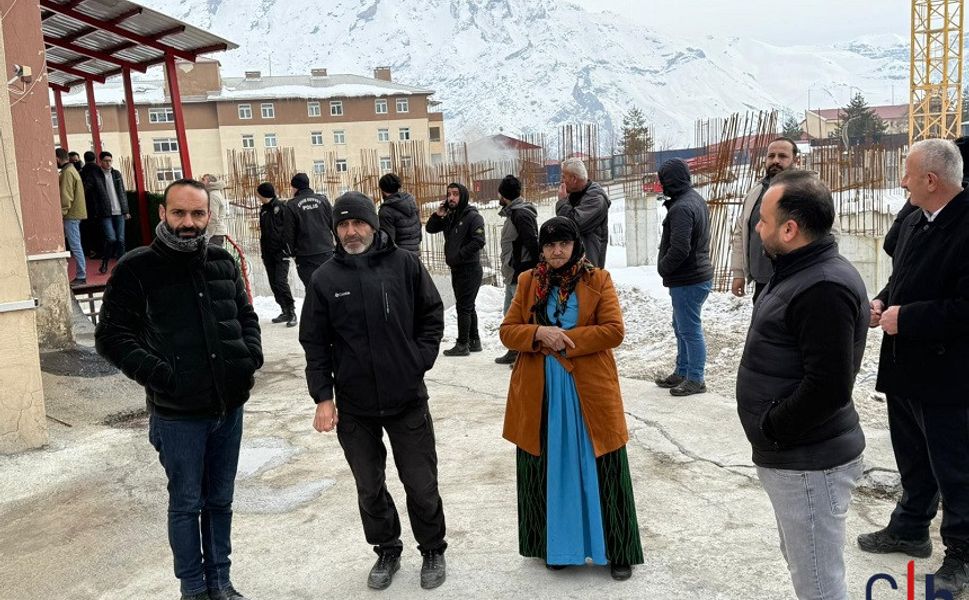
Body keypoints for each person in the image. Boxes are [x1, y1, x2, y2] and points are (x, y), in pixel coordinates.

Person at [95, 178, 263, 600]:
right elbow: (112, 336)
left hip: (229, 407)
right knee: (187, 504)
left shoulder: (222, 262)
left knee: (220, 501)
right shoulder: (138, 266)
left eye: (197, 214)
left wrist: (248, 358)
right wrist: (162, 374)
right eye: (180, 213)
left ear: (208, 216)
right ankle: (193, 588)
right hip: (177, 414)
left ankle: (220, 582)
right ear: (163, 214)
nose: (189, 223)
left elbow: (245, 315)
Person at [299, 192, 447, 591]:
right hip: (355, 406)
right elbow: (314, 342)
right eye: (343, 225)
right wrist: (323, 397)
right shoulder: (325, 278)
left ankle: (432, 547)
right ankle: (387, 549)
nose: (350, 231)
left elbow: (431, 314)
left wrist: (418, 360)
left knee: (420, 481)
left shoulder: (404, 265)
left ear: (373, 224)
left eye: (358, 223)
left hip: (406, 399)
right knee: (369, 484)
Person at [736, 170, 867, 600]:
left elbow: (829, 387)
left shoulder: (822, 286)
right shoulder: (799, 270)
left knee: (817, 581)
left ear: (790, 229)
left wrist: (773, 428)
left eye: (764, 220)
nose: (757, 227)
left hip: (810, 461)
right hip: (796, 457)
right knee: (805, 567)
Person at [500, 216, 643, 581]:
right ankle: (557, 546)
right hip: (541, 391)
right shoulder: (529, 281)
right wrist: (538, 333)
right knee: (550, 465)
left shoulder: (598, 279)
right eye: (549, 245)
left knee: (603, 465)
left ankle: (617, 549)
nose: (556, 251)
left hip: (589, 391)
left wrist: (566, 339)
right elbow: (507, 332)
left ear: (575, 244)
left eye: (563, 243)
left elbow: (614, 331)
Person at [858, 139, 969, 596]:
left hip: (948, 375)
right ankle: (910, 528)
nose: (901, 181)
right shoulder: (916, 220)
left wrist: (909, 317)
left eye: (908, 174)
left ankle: (962, 553)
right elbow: (903, 273)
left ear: (931, 180)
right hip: (906, 366)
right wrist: (886, 298)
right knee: (913, 458)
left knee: (956, 468)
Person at [653, 158, 713, 396]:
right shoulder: (693, 199)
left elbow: (680, 248)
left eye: (663, 181)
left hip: (689, 279)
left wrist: (664, 268)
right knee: (681, 326)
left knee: (689, 329)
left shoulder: (681, 208)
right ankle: (683, 371)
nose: (661, 186)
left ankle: (696, 378)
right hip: (692, 276)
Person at [730, 137, 799, 302]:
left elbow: (831, 232)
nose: (775, 161)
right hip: (762, 282)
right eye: (771, 156)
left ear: (795, 160)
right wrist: (739, 272)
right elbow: (742, 232)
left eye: (782, 156)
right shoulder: (756, 192)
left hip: (795, 282)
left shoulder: (807, 191)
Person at [425, 182, 485, 356]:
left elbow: (479, 241)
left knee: (463, 307)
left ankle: (462, 344)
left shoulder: (473, 216)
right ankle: (474, 341)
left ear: (463, 196)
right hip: (458, 268)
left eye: (455, 194)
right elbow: (430, 229)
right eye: (449, 194)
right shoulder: (450, 216)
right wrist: (438, 215)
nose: (451, 197)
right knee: (468, 306)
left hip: (469, 268)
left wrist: (459, 256)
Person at [495, 174, 538, 365]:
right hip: (512, 273)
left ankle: (524, 353)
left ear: (503, 195)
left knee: (521, 316)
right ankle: (514, 350)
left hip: (519, 273)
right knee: (510, 314)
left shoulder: (520, 214)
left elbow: (532, 243)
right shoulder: (514, 213)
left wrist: (529, 271)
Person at [555, 157, 610, 268]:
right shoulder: (575, 195)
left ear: (574, 179)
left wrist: (562, 202)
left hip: (589, 267)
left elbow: (572, 225)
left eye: (564, 177)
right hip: (576, 264)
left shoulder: (596, 199)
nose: (561, 180)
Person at [83, 151, 131, 274]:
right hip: (105, 213)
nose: (108, 163)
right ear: (100, 162)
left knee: (120, 239)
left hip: (119, 211)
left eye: (110, 161)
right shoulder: (95, 175)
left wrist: (126, 211)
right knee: (111, 238)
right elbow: (86, 189)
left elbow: (122, 193)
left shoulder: (117, 174)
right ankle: (105, 261)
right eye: (105, 161)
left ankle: (121, 266)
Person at [284, 172, 334, 287]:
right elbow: (334, 223)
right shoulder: (323, 200)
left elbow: (288, 233)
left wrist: (291, 252)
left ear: (295, 187)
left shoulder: (291, 205)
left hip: (305, 255)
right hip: (326, 251)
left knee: (312, 288)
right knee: (330, 285)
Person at [257, 182, 296, 327]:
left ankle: (292, 312)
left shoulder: (281, 207)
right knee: (274, 284)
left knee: (281, 282)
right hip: (268, 253)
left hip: (281, 252)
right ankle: (284, 310)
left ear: (263, 194)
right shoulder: (263, 210)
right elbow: (264, 233)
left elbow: (288, 230)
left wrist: (288, 249)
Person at [57, 147, 87, 285]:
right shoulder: (71, 170)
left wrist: (61, 214)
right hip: (74, 213)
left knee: (75, 245)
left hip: (71, 214)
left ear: (57, 159)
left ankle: (81, 275)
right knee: (75, 244)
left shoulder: (68, 172)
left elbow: (66, 196)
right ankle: (81, 274)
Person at [377, 172, 422, 256]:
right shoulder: (411, 201)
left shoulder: (386, 210)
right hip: (415, 253)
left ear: (382, 190)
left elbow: (388, 242)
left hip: (400, 258)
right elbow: (419, 227)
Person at [202, 174, 228, 247]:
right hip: (216, 234)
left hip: (214, 235)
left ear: (210, 182)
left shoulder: (212, 195)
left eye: (203, 179)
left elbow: (213, 218)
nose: (201, 181)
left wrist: (207, 236)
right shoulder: (215, 193)